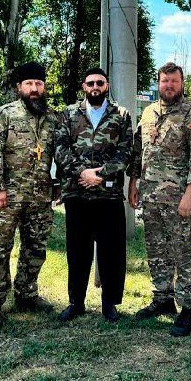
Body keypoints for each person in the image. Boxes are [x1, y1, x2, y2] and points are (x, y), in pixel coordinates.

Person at [127, 62, 191, 337]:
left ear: (182, 83)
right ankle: (162, 298)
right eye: (165, 81)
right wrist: (134, 182)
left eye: (174, 81)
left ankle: (189, 307)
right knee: (156, 249)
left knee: (184, 251)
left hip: (179, 199)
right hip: (151, 196)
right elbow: (139, 151)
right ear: (158, 83)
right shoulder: (148, 112)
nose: (169, 85)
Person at [0, 62, 60, 329]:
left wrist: (58, 184)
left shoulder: (52, 117)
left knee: (35, 247)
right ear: (19, 87)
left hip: (40, 196)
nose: (34, 89)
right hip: (8, 196)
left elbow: (60, 154)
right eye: (29, 84)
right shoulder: (5, 114)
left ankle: (27, 293)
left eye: (38, 83)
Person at [54, 67, 133, 323]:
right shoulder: (68, 114)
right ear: (84, 87)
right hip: (77, 193)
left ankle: (109, 303)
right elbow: (60, 149)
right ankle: (76, 302)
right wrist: (82, 173)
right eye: (91, 83)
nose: (95, 87)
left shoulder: (121, 115)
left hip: (108, 195)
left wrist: (101, 174)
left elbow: (126, 151)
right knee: (78, 251)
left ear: (107, 86)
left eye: (100, 83)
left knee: (111, 252)